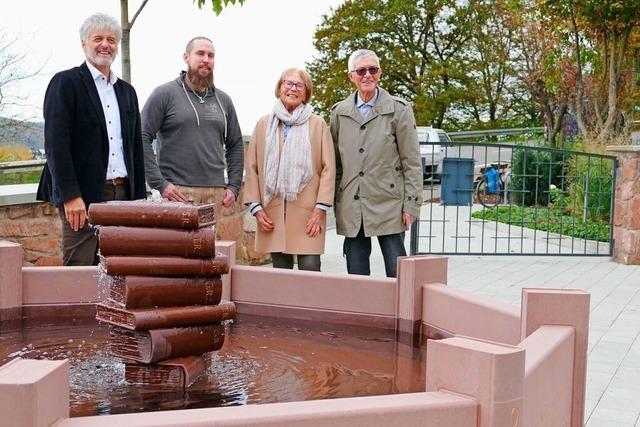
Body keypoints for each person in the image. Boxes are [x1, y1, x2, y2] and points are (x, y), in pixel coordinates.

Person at [36, 13, 146, 266]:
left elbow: (135, 150)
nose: (105, 44)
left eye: (111, 39)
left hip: (124, 195)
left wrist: (140, 201)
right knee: (80, 271)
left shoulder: (127, 92)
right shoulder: (66, 83)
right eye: (98, 38)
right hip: (83, 197)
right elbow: (55, 145)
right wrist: (70, 196)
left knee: (121, 269)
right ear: (84, 44)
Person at [330, 49, 422, 278]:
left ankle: (399, 313)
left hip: (389, 202)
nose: (367, 75)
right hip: (353, 203)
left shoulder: (399, 109)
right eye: (361, 71)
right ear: (351, 76)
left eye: (373, 69)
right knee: (357, 273)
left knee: (396, 270)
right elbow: (335, 164)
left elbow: (411, 161)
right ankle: (362, 313)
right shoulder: (339, 113)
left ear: (379, 73)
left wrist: (411, 204)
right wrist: (335, 200)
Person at [141, 37, 243, 218]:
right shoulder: (164, 94)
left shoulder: (223, 100)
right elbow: (141, 136)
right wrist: (160, 184)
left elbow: (235, 143)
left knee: (208, 246)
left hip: (215, 193)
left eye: (211, 55)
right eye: (200, 54)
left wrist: (234, 186)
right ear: (186, 57)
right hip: (176, 192)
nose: (206, 59)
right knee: (174, 247)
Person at [244, 68, 335, 271]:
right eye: (288, 83)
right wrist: (257, 210)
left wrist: (320, 210)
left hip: (309, 214)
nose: (293, 89)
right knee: (281, 274)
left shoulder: (318, 124)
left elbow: (329, 169)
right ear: (279, 88)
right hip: (272, 212)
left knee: (310, 269)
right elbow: (252, 169)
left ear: (306, 93)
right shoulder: (263, 124)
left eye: (299, 85)